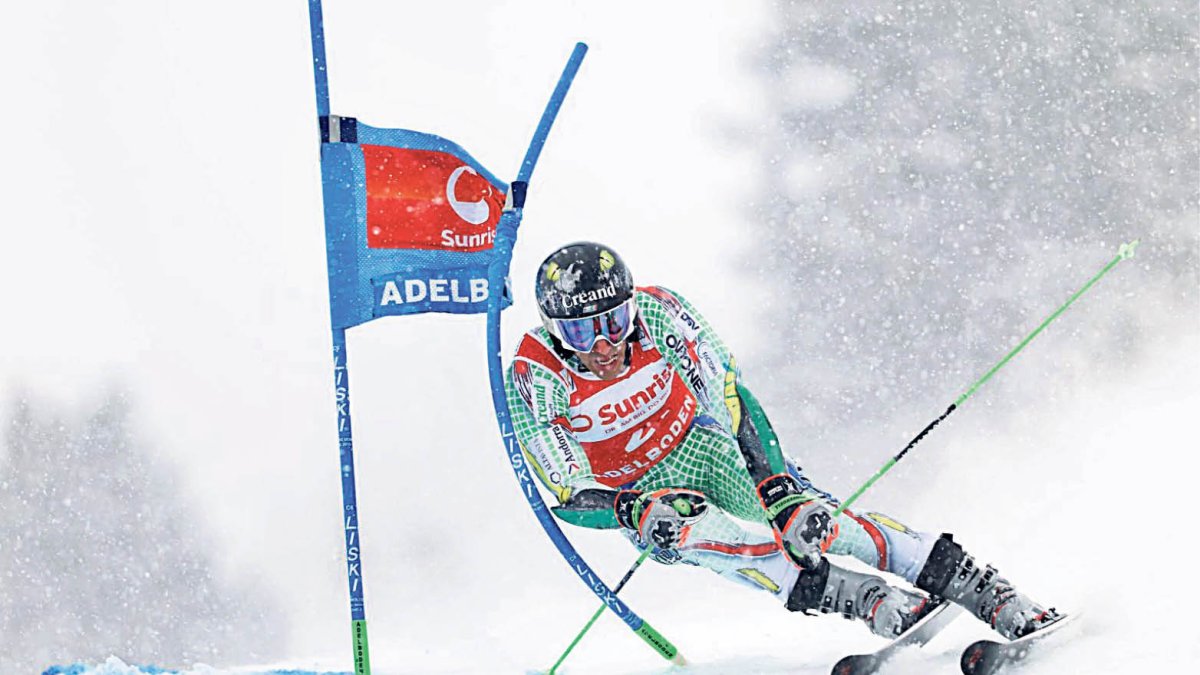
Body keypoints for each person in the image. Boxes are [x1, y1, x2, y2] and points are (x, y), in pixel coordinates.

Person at [504, 241, 1063, 640]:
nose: (603, 345)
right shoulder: (535, 377)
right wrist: (631, 509)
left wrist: (776, 486)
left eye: (613, 322)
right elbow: (570, 495)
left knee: (810, 519)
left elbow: (730, 397)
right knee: (706, 535)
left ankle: (982, 588)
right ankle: (862, 598)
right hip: (642, 494)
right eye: (581, 331)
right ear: (554, 329)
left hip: (701, 446)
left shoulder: (657, 312)